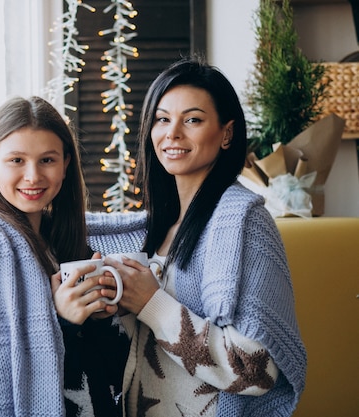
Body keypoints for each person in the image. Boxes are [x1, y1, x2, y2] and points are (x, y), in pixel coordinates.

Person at [85, 57, 307, 417]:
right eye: (162, 119)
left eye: (192, 120)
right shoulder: (155, 230)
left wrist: (151, 304)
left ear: (227, 134)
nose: (172, 133)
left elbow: (256, 371)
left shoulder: (245, 224)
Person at [0, 96, 128, 416]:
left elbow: (108, 371)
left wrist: (101, 319)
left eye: (47, 160)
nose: (33, 176)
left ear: (65, 164)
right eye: (16, 160)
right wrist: (60, 320)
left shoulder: (63, 245)